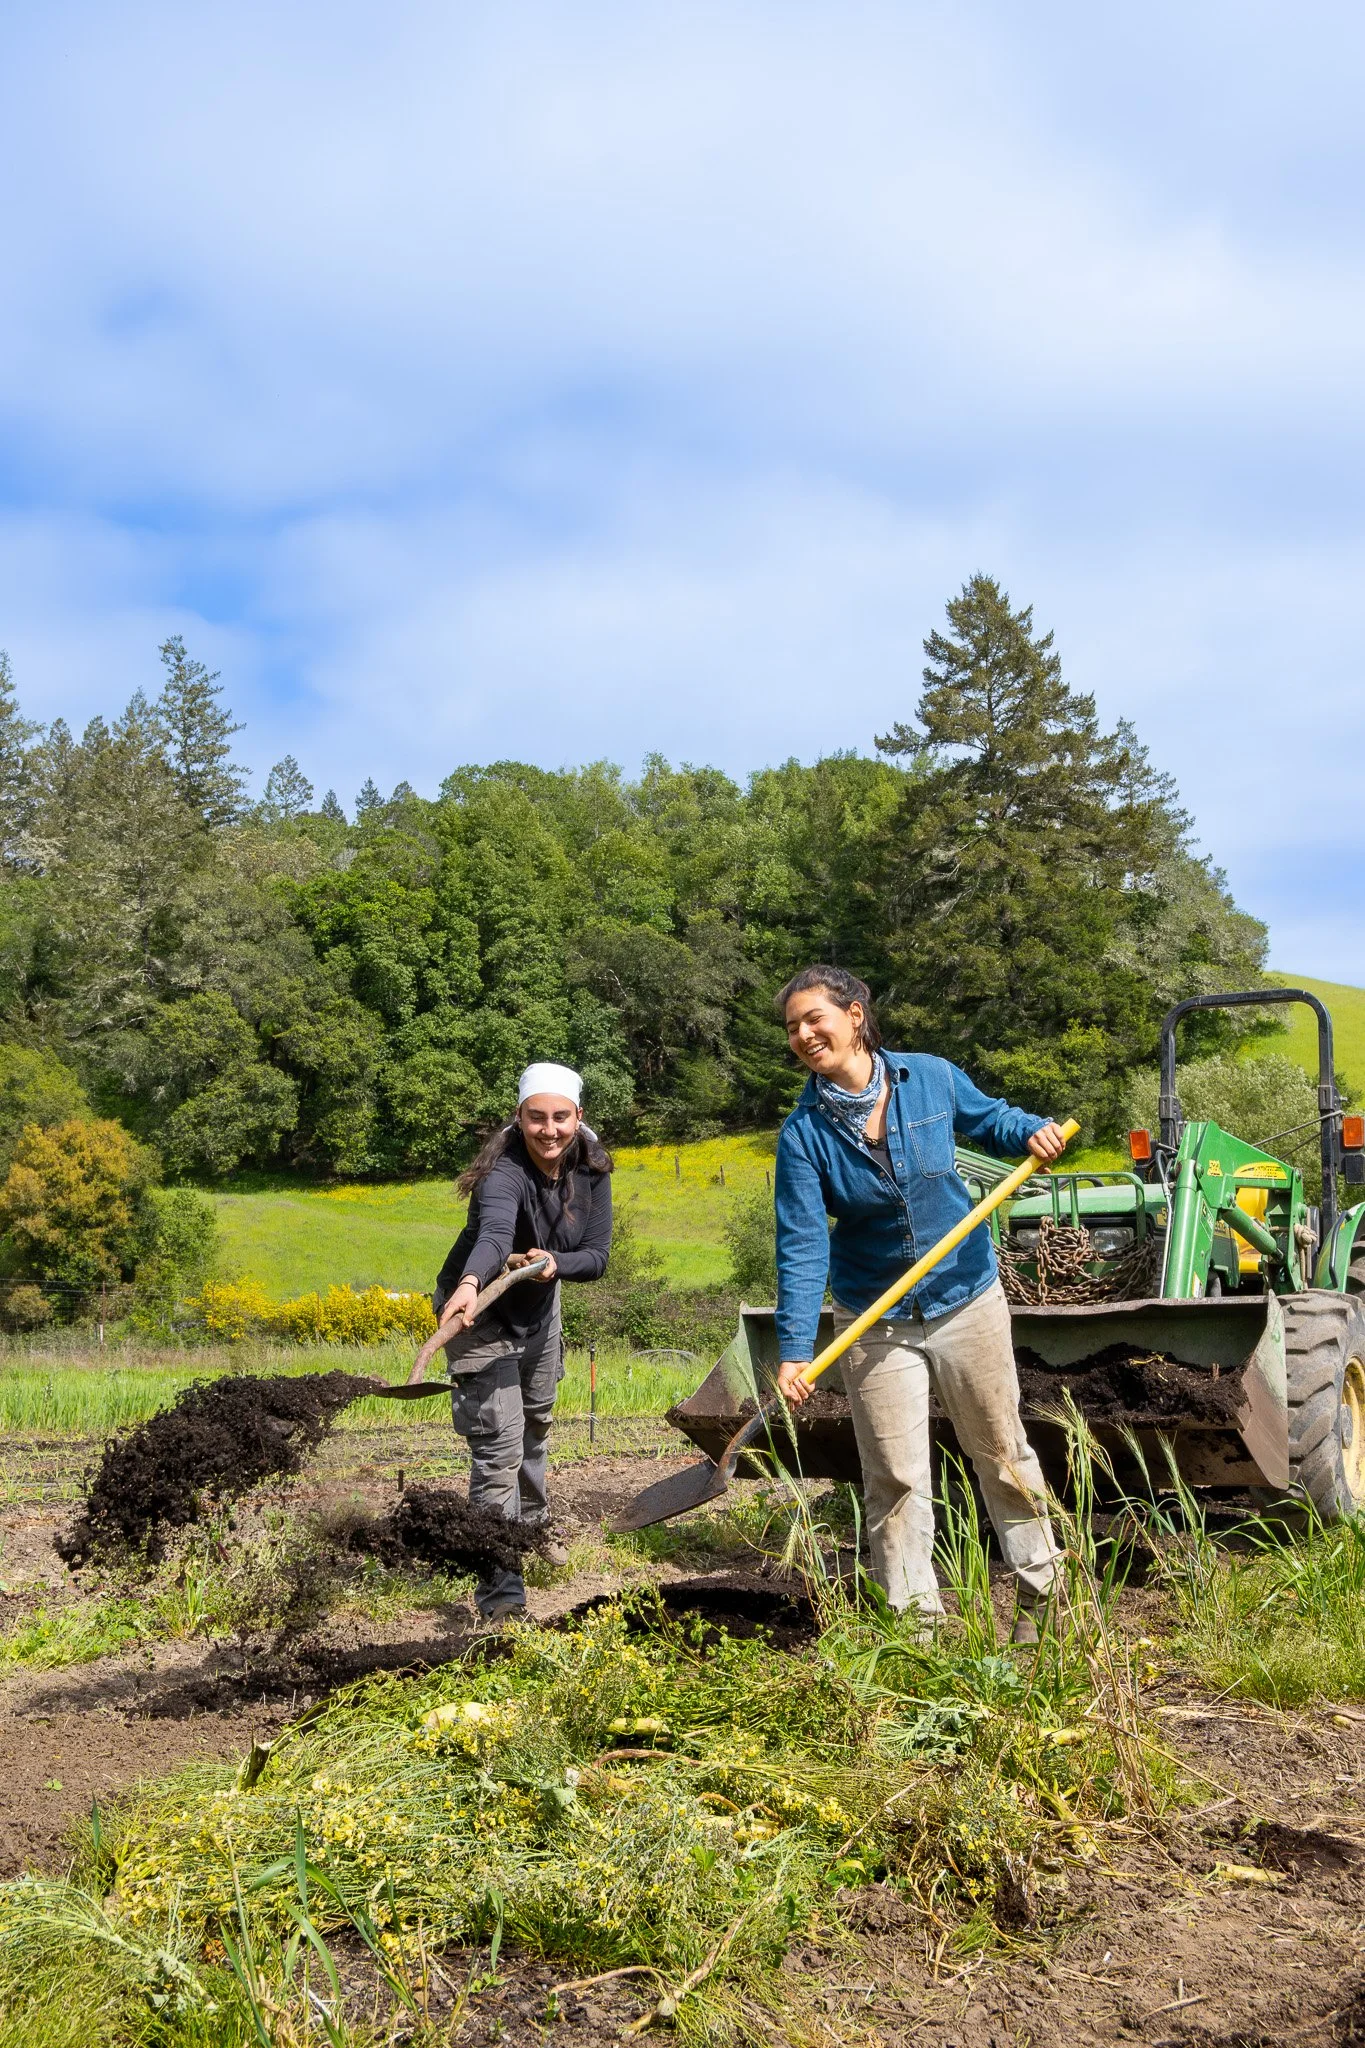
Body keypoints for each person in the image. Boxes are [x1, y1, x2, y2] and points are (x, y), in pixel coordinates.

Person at [772, 966, 1070, 1643]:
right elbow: (799, 1245)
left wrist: (1032, 1131)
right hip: (874, 1316)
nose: (803, 1034)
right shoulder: (804, 1135)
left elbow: (990, 1120)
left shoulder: (929, 1077)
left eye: (813, 1018)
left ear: (853, 1015)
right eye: (792, 1027)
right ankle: (917, 1634)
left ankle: (1045, 1609)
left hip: (966, 1298)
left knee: (1001, 1454)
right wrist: (795, 1349)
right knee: (896, 1478)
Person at [417, 1061, 613, 1621]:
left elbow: (596, 1258)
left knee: (535, 1428)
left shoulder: (593, 1171)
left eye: (559, 1117)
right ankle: (501, 1595)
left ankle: (529, 1533)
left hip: (538, 1313)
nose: (548, 1130)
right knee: (498, 1450)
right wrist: (469, 1285)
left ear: (578, 1116)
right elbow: (495, 1234)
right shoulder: (503, 1173)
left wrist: (555, 1263)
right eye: (536, 1118)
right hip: (478, 1316)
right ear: (520, 1118)